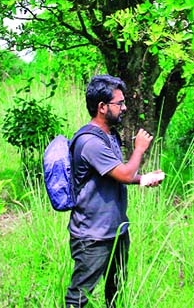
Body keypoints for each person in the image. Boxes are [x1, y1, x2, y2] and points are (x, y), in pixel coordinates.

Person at [65, 74, 164, 308]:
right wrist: (139, 149)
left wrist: (143, 178)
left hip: (116, 230)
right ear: (102, 107)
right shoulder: (90, 142)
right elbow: (125, 174)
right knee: (79, 297)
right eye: (119, 103)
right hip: (93, 235)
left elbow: (117, 173)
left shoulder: (108, 135)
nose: (124, 107)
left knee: (116, 291)